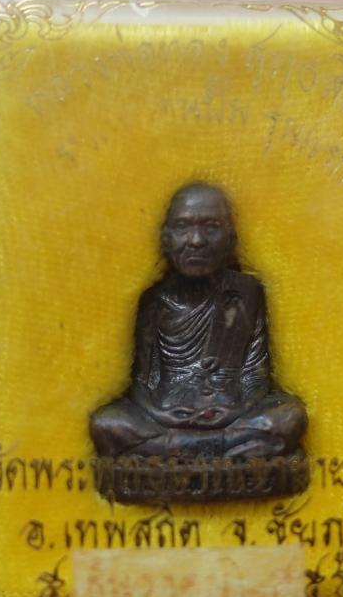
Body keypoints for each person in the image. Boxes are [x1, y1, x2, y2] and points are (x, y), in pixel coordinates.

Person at [90, 182, 307, 462]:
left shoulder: (247, 294)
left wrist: (235, 410)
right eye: (182, 226)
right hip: (167, 415)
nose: (195, 240)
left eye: (210, 226)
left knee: (289, 415)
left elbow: (254, 374)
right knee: (107, 422)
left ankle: (174, 450)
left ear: (230, 237)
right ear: (166, 238)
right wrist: (159, 412)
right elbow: (144, 381)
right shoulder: (154, 301)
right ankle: (226, 450)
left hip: (229, 413)